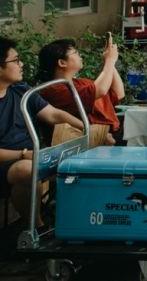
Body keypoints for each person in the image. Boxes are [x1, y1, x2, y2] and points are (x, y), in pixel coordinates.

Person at [0, 38, 85, 221]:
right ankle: (37, 228)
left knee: (82, 158)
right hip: (10, 160)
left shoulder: (20, 90)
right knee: (28, 170)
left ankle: (73, 220)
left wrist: (87, 129)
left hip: (31, 155)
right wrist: (23, 154)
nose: (21, 64)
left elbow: (53, 114)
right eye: (15, 60)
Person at [36, 37, 122, 140]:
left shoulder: (81, 82)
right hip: (89, 140)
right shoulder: (54, 90)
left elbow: (118, 94)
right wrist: (110, 60)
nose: (80, 56)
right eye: (76, 53)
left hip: (108, 134)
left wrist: (110, 62)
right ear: (62, 63)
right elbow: (101, 90)